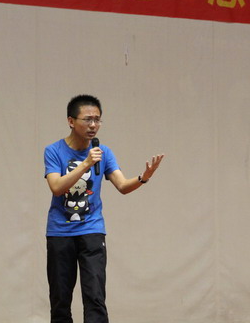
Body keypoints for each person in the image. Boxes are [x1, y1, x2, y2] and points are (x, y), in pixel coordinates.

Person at [44, 94, 164, 323]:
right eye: (87, 119)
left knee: (95, 297)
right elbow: (56, 187)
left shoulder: (104, 152)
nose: (93, 125)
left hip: (92, 230)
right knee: (60, 299)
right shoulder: (54, 151)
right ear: (71, 121)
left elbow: (122, 186)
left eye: (97, 120)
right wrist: (86, 163)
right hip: (60, 232)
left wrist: (143, 177)